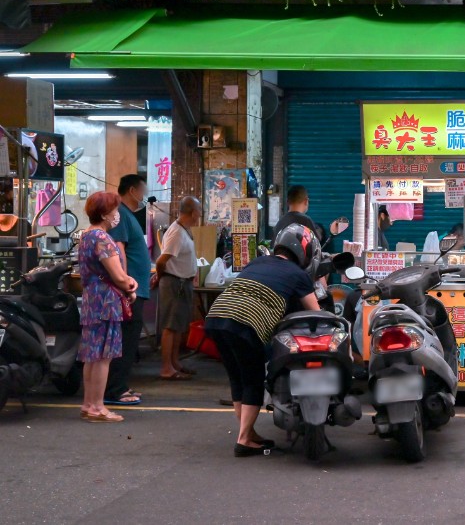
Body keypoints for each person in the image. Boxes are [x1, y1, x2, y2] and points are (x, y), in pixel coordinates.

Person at [203, 223, 322, 457]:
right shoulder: (298, 275)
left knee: (237, 376)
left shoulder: (257, 262)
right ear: (304, 253)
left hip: (216, 317)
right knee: (253, 379)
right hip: (245, 323)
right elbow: (316, 313)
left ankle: (247, 433)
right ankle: (244, 439)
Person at [78, 191, 137, 423]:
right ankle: (98, 407)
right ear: (104, 214)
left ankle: (88, 404)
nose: (117, 215)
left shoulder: (86, 235)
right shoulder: (102, 238)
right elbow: (118, 276)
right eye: (114, 210)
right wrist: (130, 285)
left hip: (91, 299)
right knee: (104, 356)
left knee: (92, 356)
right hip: (106, 300)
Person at [104, 174, 150, 406]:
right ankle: (115, 390)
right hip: (129, 290)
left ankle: (120, 385)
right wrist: (125, 283)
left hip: (135, 288)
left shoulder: (128, 215)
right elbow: (118, 250)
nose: (145, 194)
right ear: (132, 190)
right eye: (143, 189)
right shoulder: (120, 213)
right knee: (124, 340)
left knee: (130, 340)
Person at [152, 196, 201, 381]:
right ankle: (166, 368)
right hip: (174, 283)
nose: (200, 215)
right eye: (199, 211)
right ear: (193, 212)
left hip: (182, 282)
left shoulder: (185, 230)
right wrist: (160, 276)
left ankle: (175, 363)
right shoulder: (177, 232)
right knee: (170, 327)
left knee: (179, 325)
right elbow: (161, 260)